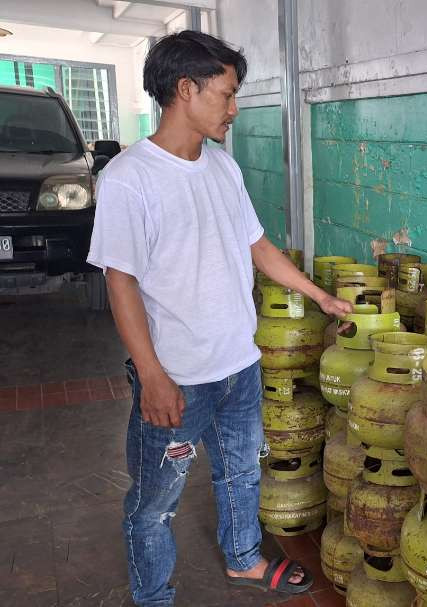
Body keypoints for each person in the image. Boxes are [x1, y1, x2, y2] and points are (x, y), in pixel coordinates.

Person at [87, 30, 352, 607]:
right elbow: (120, 280)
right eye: (227, 94)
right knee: (155, 502)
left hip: (239, 365)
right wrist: (151, 373)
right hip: (177, 377)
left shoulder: (221, 169)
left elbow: (257, 245)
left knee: (241, 475)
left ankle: (244, 560)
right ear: (186, 89)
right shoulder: (129, 179)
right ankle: (153, 595)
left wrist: (319, 296)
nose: (234, 109)